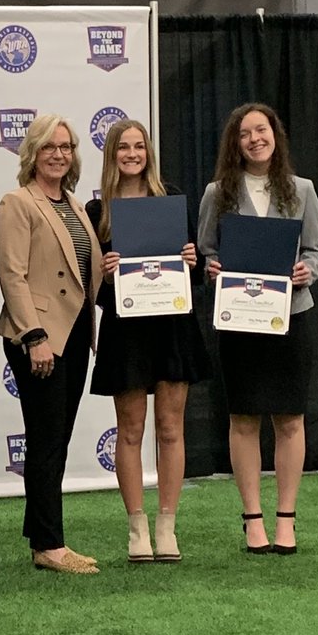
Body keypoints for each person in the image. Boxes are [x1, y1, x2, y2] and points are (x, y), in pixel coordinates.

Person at [198, 102, 318, 554]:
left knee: (290, 418)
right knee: (244, 418)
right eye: (245, 133)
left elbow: (316, 252)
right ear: (235, 144)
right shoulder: (217, 193)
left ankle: (286, 520)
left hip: (290, 317)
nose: (255, 139)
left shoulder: (302, 189)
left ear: (275, 135)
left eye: (262, 130)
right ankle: (252, 519)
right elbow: (206, 253)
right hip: (239, 320)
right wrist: (213, 268)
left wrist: (305, 271)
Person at [87, 119, 210, 563]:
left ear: (149, 153)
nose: (133, 154)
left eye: (140, 146)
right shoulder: (95, 210)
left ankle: (167, 525)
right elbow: (94, 292)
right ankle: (137, 527)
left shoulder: (172, 199)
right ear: (112, 154)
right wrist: (106, 272)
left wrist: (190, 261)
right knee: (131, 429)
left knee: (171, 428)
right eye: (124, 147)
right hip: (126, 329)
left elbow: (193, 272)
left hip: (172, 327)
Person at [0, 114, 102, 575]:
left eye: (66, 146)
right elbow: (11, 275)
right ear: (32, 154)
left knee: (54, 438)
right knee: (45, 437)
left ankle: (42, 535)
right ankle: (49, 545)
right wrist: (33, 336)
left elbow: (85, 272)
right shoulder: (18, 202)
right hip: (39, 336)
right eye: (49, 147)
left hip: (76, 332)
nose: (59, 154)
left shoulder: (76, 205)